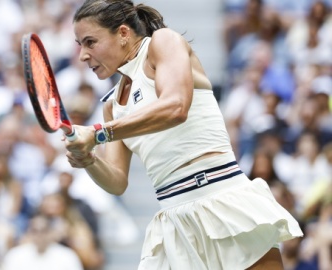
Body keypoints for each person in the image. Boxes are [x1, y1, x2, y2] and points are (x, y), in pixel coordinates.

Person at [64, 1, 303, 269]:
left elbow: (176, 107)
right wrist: (88, 160)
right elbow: (117, 182)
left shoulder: (163, 43)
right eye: (79, 45)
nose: (83, 55)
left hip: (222, 200)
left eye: (90, 42)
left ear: (122, 34)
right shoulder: (111, 105)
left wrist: (98, 134)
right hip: (174, 224)